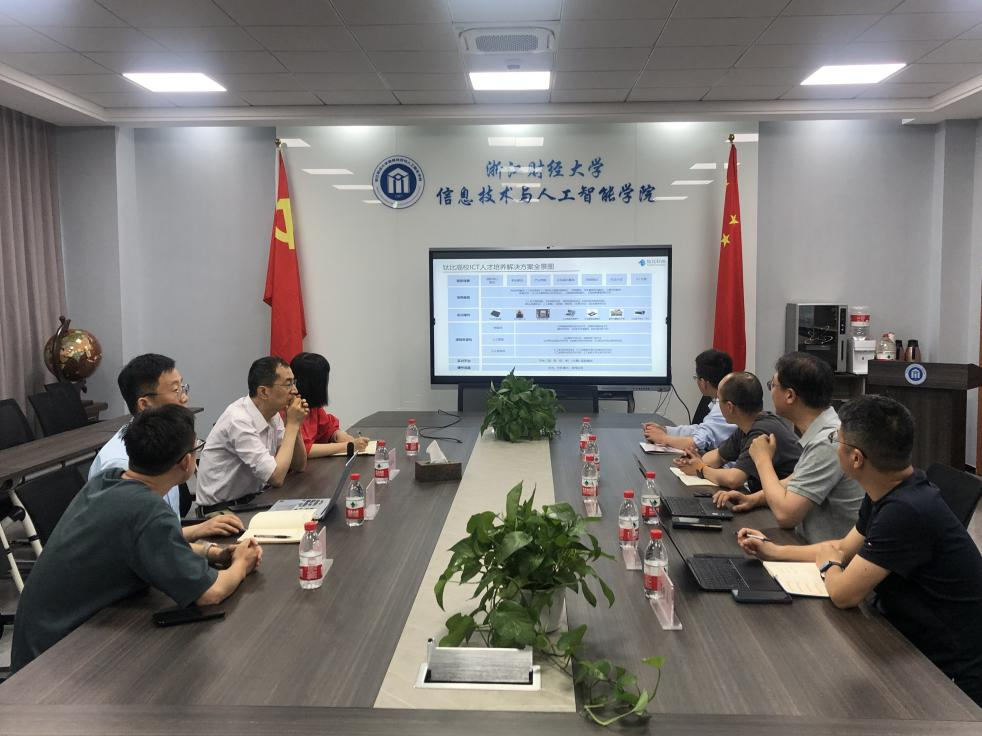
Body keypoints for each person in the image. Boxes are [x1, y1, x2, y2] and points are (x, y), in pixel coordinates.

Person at [737, 395, 982, 706]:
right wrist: (773, 551)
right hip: (910, 636)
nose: (834, 447)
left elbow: (843, 593)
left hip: (949, 675)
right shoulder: (890, 489)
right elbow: (841, 548)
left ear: (856, 458)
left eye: (836, 441)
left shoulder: (906, 510)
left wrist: (828, 566)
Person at [11, 405, 262, 673]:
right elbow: (210, 593)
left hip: (42, 633)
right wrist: (242, 563)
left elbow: (149, 543)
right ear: (186, 462)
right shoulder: (146, 510)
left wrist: (212, 552)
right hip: (54, 657)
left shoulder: (109, 480)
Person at [89, 353, 243, 541]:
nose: (184, 398)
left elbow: (159, 533)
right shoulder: (121, 464)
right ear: (145, 404)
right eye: (176, 390)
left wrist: (202, 535)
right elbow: (134, 542)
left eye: (183, 387)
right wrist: (200, 536)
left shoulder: (162, 442)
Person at [712, 353, 865, 542]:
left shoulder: (828, 442)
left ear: (790, 395)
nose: (770, 391)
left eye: (773, 385)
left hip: (824, 555)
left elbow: (785, 515)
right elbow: (795, 482)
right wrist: (754, 499)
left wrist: (762, 459)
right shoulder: (824, 431)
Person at [195, 356, 308, 512]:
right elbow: (276, 477)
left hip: (254, 502)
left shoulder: (273, 415)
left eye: (294, 382)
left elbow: (299, 465)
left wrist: (296, 424)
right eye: (288, 384)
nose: (295, 391)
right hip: (222, 511)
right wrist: (292, 425)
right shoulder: (238, 420)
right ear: (264, 392)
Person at [675, 371, 801, 490]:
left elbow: (734, 479)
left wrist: (701, 469)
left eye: (718, 399)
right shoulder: (747, 425)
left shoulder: (761, 432)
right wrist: (693, 461)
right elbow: (718, 456)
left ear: (729, 407)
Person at [642, 349, 736, 454]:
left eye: (696, 377)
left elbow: (696, 442)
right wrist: (666, 431)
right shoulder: (726, 399)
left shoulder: (723, 407)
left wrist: (663, 438)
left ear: (703, 383)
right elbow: (701, 430)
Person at [290, 352, 369, 457]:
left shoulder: (313, 406)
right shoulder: (291, 408)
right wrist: (348, 446)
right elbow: (303, 450)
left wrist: (338, 435)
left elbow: (327, 429)